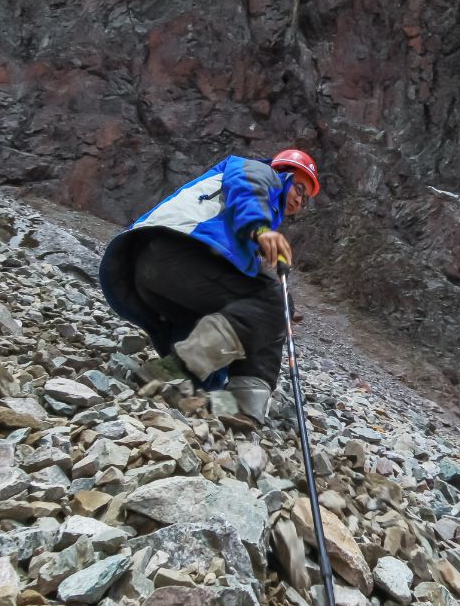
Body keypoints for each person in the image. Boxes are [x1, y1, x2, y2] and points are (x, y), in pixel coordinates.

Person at [98, 149, 320, 424]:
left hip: (151, 271)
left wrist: (272, 313)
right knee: (274, 300)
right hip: (172, 253)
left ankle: (239, 405)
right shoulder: (259, 172)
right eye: (299, 187)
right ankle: (171, 373)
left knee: (274, 307)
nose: (300, 200)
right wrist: (261, 230)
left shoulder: (246, 223)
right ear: (284, 173)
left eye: (306, 198)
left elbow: (252, 290)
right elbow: (248, 189)